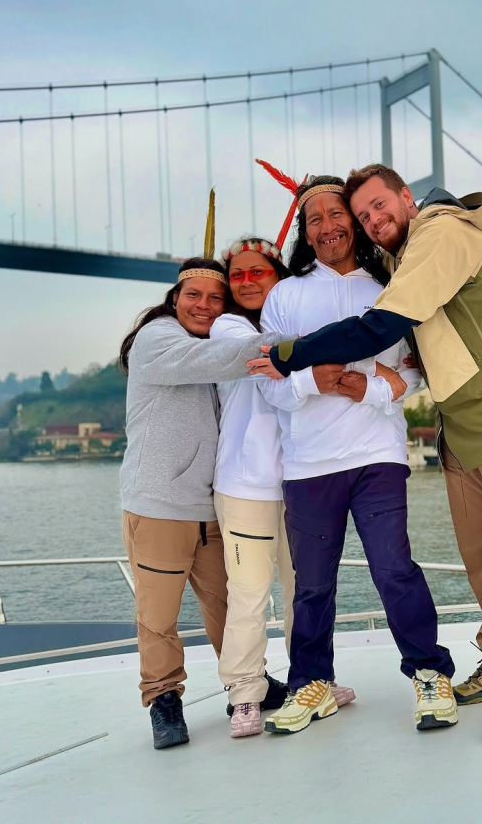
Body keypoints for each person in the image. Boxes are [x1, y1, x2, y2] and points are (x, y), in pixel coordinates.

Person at [249, 164, 482, 741]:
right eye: (365, 214)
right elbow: (419, 360)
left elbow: (381, 331)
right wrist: (321, 378)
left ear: (407, 196)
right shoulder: (397, 261)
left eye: (378, 206)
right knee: (478, 553)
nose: (373, 220)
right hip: (460, 421)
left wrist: (291, 356)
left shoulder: (442, 233)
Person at [254, 175, 457, 737]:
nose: (327, 226)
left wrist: (372, 389)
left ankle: (429, 673)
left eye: (337, 213)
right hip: (309, 463)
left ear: (355, 221)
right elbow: (267, 382)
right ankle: (312, 682)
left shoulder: (390, 286)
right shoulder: (284, 296)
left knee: (394, 569)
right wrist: (311, 380)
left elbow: (415, 370)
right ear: (304, 232)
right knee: (312, 585)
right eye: (313, 219)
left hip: (377, 453)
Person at [118, 256, 286, 750]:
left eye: (216, 298)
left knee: (229, 605)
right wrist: (302, 342)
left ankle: (247, 686)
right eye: (194, 295)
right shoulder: (157, 339)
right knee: (159, 617)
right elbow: (218, 360)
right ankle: (164, 699)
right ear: (175, 299)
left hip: (211, 505)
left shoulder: (208, 343)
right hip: (160, 505)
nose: (205, 306)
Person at [210, 237, 296, 738]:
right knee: (248, 593)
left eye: (257, 271)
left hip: (303, 478)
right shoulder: (228, 327)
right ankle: (245, 693)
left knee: (305, 590)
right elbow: (265, 350)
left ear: (277, 276)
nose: (246, 281)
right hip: (245, 485)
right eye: (237, 274)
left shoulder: (292, 318)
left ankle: (313, 679)